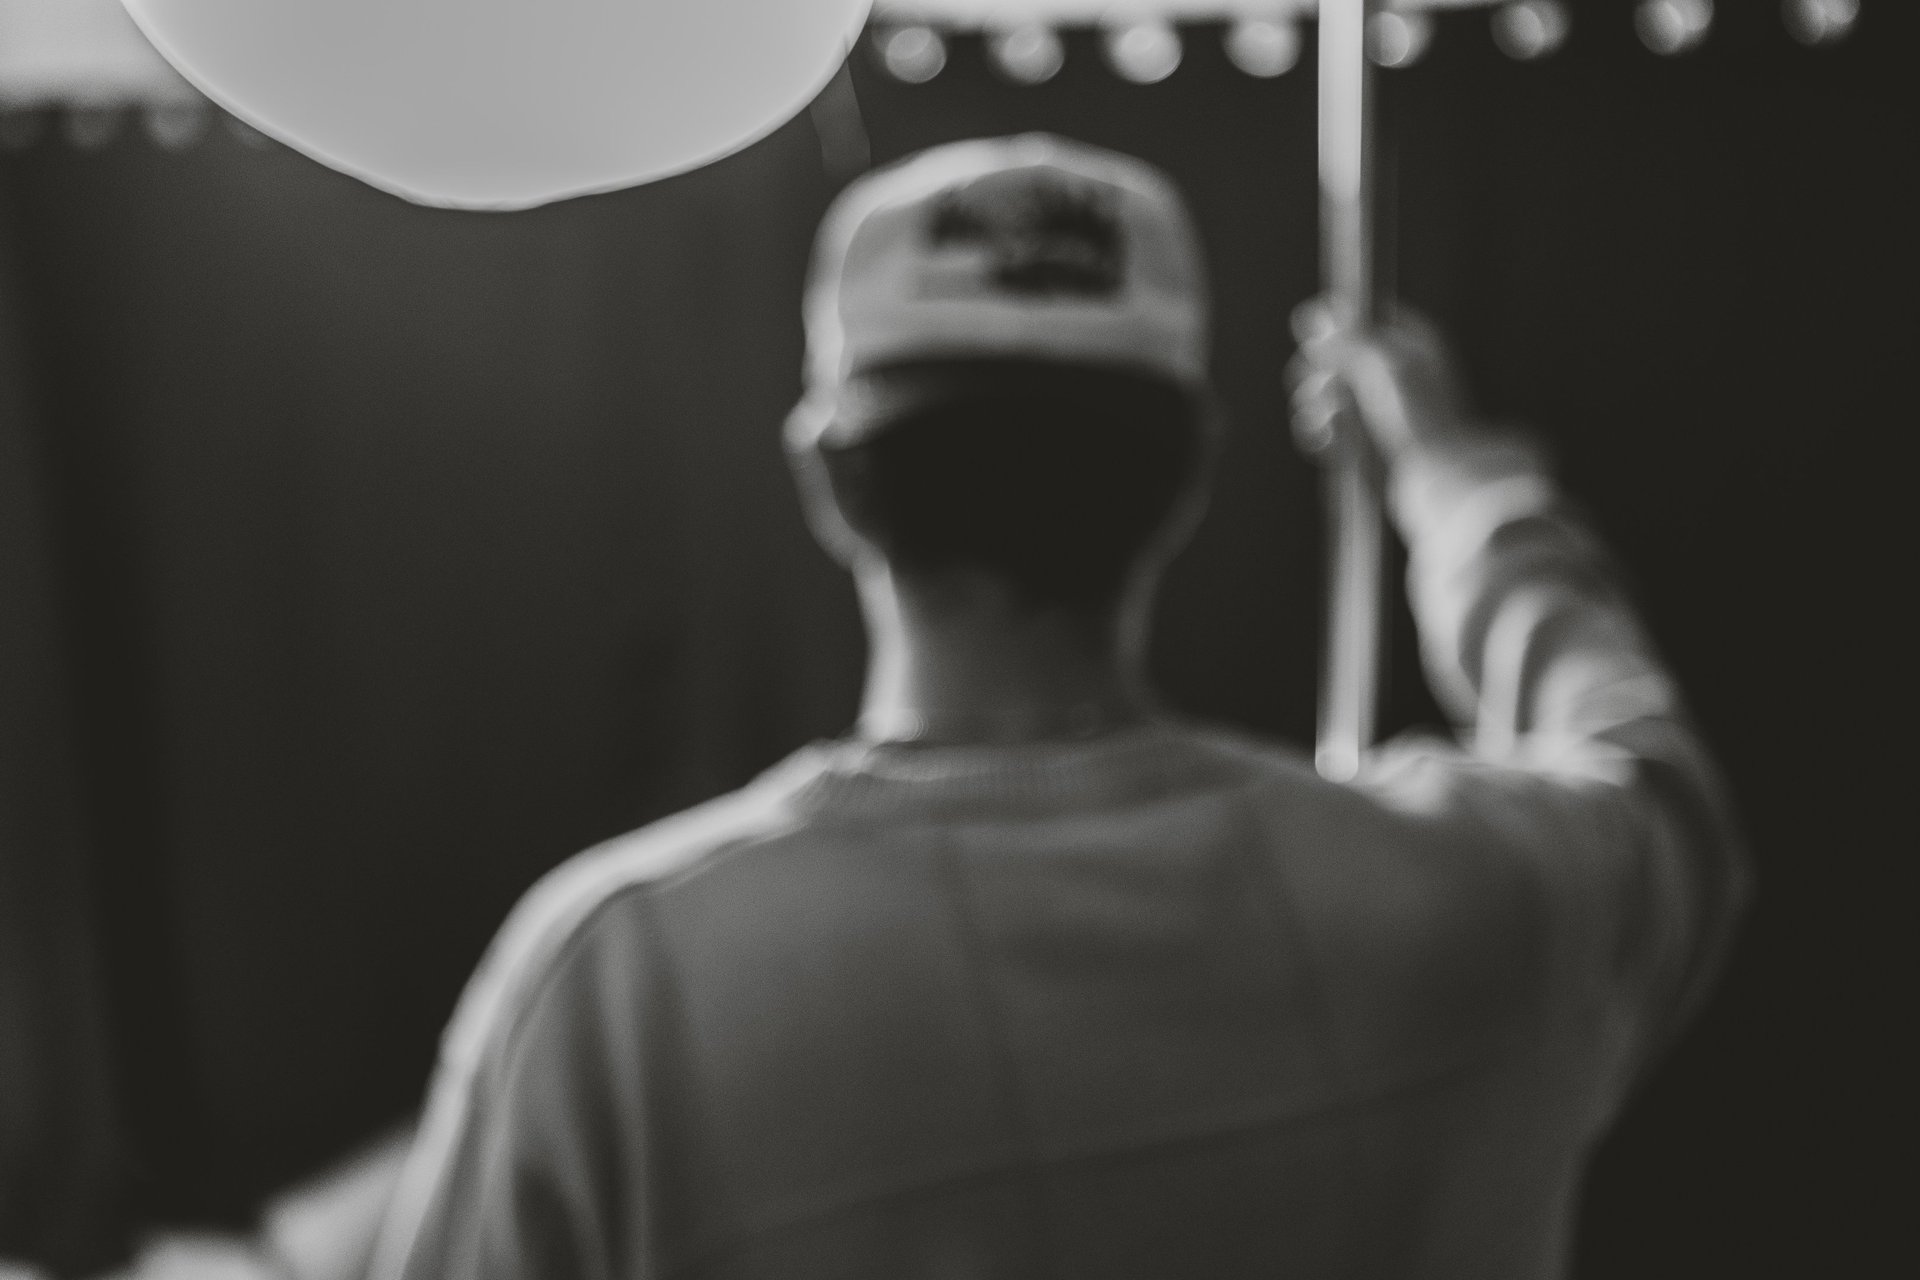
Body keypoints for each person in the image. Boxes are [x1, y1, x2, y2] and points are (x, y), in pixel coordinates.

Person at [369, 135, 1749, 1279]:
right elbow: (1652, 769)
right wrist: (1459, 490)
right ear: (1188, 478)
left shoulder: (616, 992)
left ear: (829, 483)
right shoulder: (1479, 905)